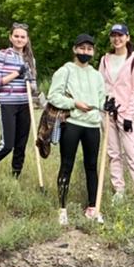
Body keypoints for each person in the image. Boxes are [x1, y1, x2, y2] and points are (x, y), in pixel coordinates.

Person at [48, 34, 107, 225]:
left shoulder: (97, 75)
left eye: (89, 49)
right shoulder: (65, 71)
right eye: (82, 48)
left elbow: (101, 99)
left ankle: (92, 207)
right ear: (75, 49)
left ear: (93, 52)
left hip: (92, 125)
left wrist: (108, 105)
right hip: (72, 123)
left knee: (92, 166)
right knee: (67, 164)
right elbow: (53, 96)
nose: (85, 52)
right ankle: (62, 208)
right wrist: (74, 103)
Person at [0, 22, 36, 179]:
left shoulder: (30, 59)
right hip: (8, 102)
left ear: (27, 39)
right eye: (16, 36)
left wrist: (31, 82)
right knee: (7, 145)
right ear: (11, 37)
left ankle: (15, 178)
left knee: (21, 145)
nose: (19, 39)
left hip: (25, 103)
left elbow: (34, 85)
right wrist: (17, 72)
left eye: (22, 37)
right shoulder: (2, 54)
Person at [98, 23, 134, 210]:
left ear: (127, 37)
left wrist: (129, 113)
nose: (117, 39)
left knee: (132, 153)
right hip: (108, 112)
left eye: (120, 35)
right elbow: (101, 83)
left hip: (126, 113)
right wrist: (103, 101)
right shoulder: (105, 60)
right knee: (113, 153)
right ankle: (119, 189)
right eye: (114, 36)